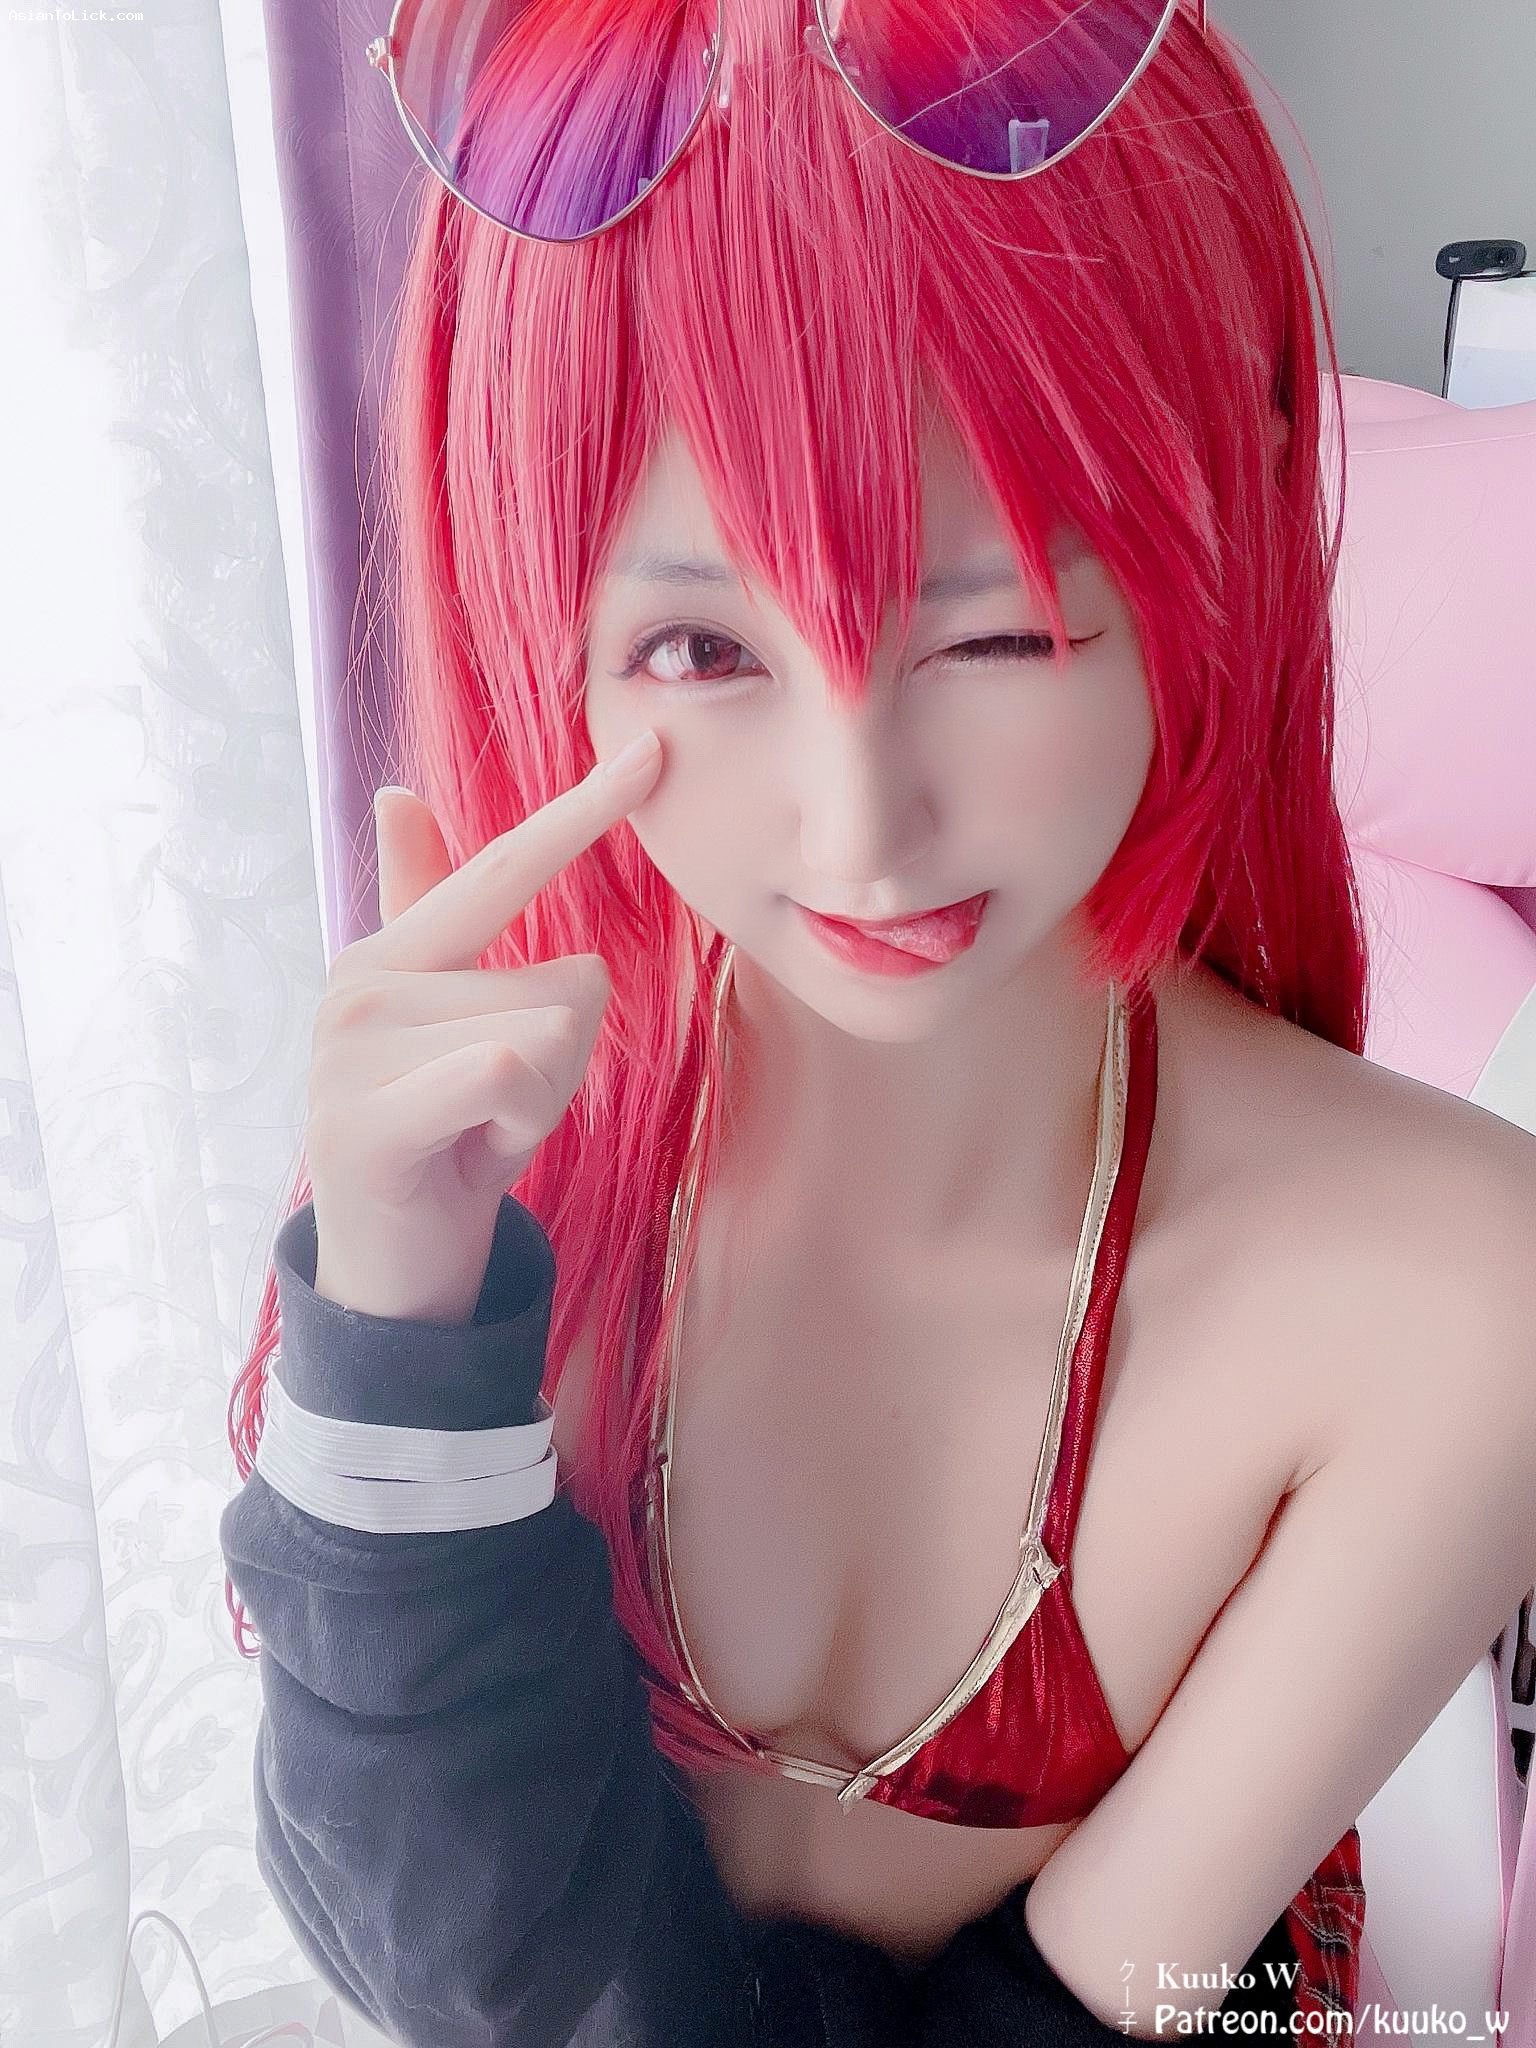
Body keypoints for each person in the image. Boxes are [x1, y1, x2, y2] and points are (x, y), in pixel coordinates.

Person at [220, 3, 1536, 2043]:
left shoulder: (1462, 1297)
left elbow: (1070, 2016)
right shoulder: (496, 1161)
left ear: (1231, 514)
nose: (861, 829)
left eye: (998, 628)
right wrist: (392, 1320)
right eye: (699, 647)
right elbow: (426, 1947)